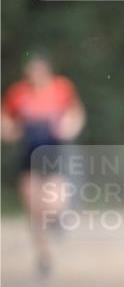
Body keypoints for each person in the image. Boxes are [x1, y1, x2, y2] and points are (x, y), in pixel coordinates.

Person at [1, 53, 85, 275]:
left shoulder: (61, 88)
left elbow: (75, 114)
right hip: (27, 153)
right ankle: (44, 256)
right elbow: (6, 120)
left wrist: (69, 127)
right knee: (32, 209)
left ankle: (58, 217)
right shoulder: (18, 93)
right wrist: (10, 131)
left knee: (54, 197)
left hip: (52, 151)